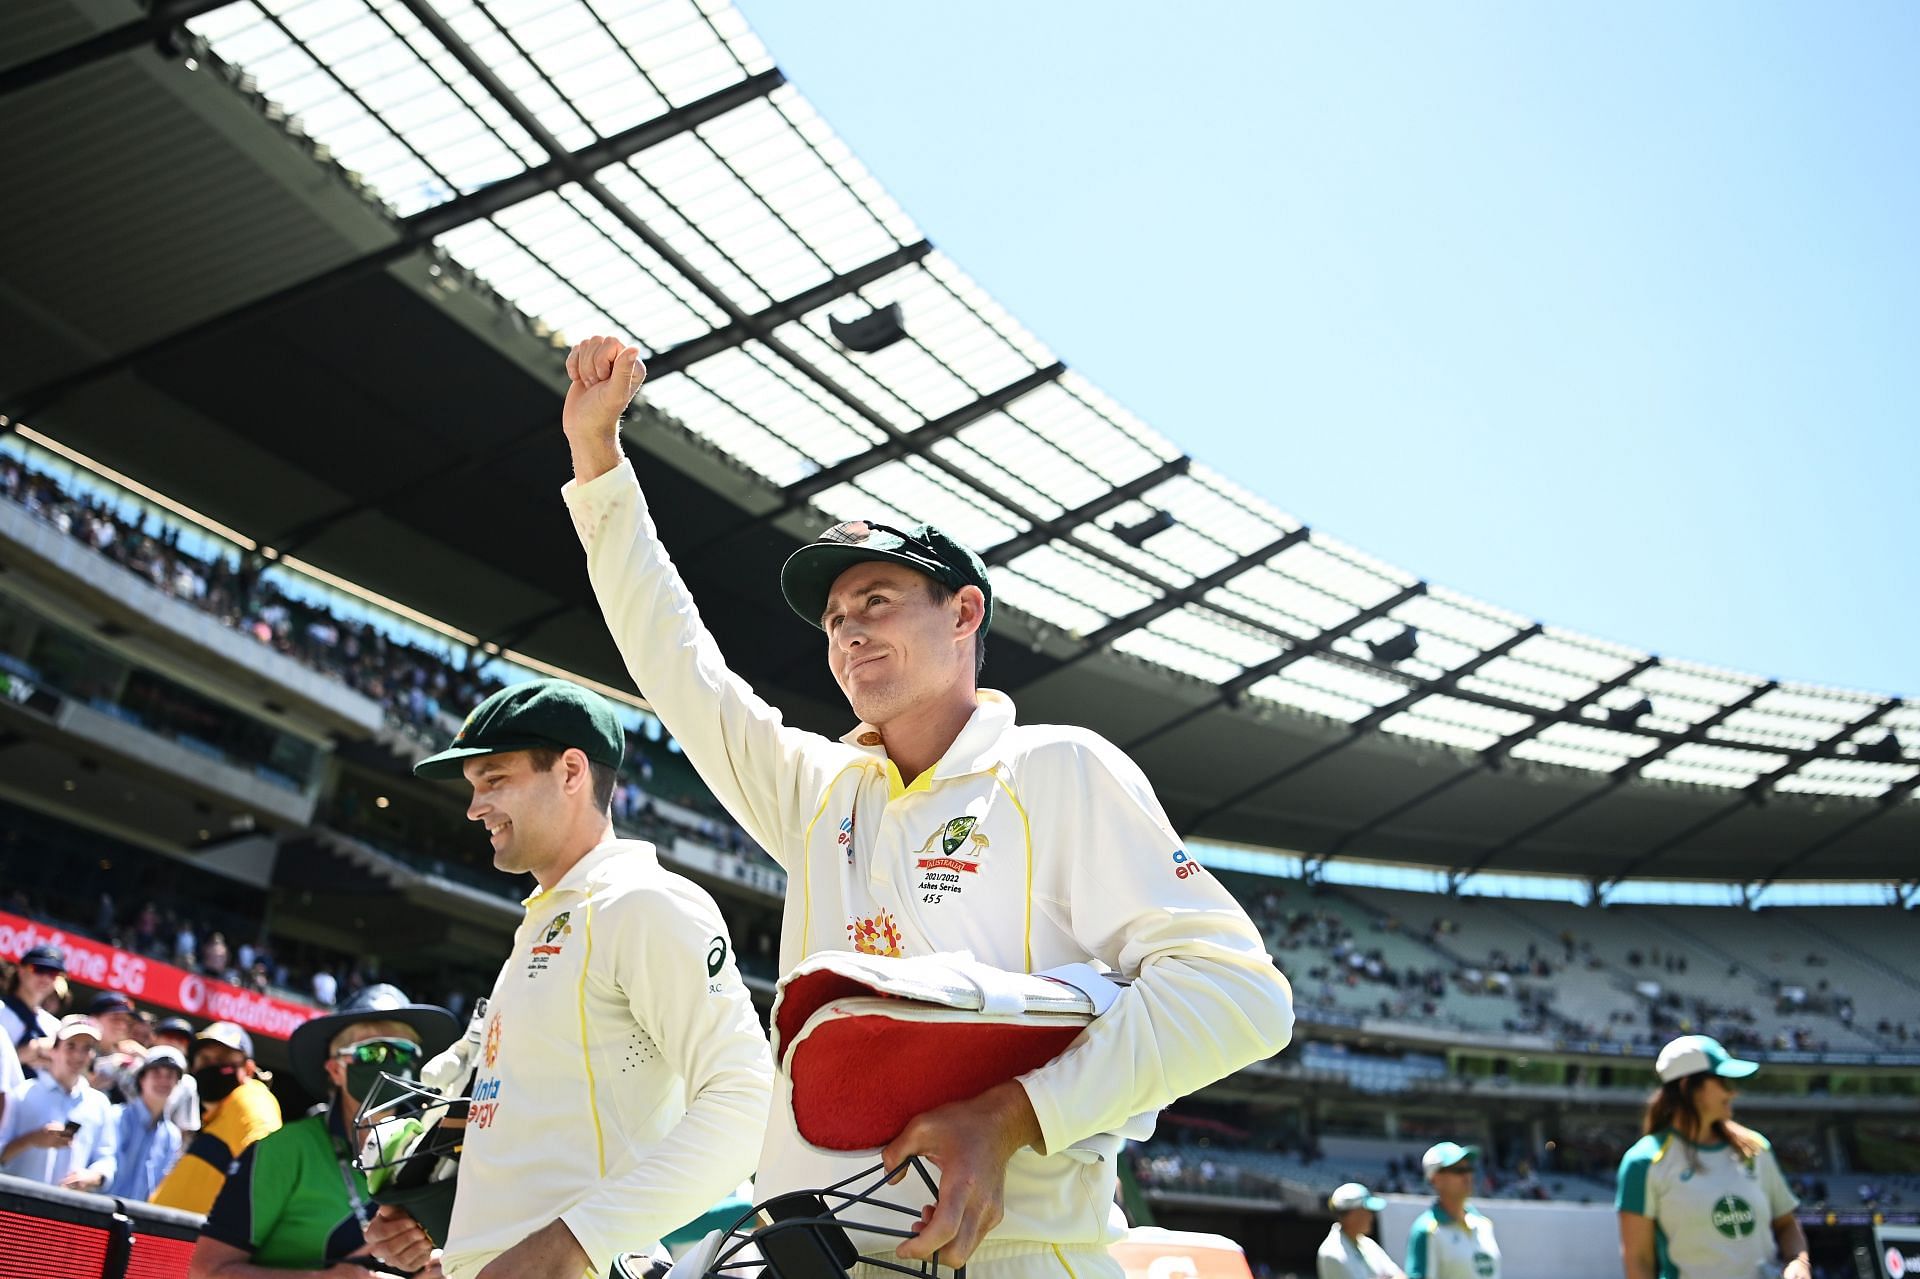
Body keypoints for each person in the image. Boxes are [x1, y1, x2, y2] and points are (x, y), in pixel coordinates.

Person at [548, 337, 1294, 1276]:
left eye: (877, 599)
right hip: (820, 1256)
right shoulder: (819, 793)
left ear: (964, 614)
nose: (849, 629)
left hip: (1016, 1253)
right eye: (833, 619)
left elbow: (1242, 996)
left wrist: (1012, 1115)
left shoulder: (1056, 769)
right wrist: (597, 459)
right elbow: (675, 661)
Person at [363, 680, 775, 1279]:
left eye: (494, 779)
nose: (474, 807)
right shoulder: (546, 918)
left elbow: (746, 1103)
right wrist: (433, 1217)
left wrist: (573, 1244)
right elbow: (537, 1134)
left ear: (572, 771)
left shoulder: (642, 902)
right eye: (473, 787)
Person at [189, 985, 458, 1278]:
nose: (392, 1062)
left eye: (405, 1051)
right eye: (373, 1052)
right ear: (335, 1069)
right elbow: (206, 1271)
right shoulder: (283, 1151)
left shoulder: (439, 1156)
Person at [1616, 1035, 1808, 1279]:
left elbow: (1786, 1224)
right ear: (1687, 1086)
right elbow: (1639, 1261)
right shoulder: (1643, 1162)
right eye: (1724, 1082)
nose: (1734, 1092)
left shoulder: (1755, 1148)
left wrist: (1798, 1263)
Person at [152, 1020, 283, 1214]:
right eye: (204, 1060)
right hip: (165, 1236)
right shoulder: (217, 1116)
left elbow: (271, 1168)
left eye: (222, 1059)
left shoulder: (251, 1100)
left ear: (247, 1069)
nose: (211, 1067)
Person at [0, 1015, 117, 1188]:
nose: (78, 1055)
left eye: (86, 1048)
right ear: (53, 1049)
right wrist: (31, 1140)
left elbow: (106, 1159)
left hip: (67, 1209)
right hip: (16, 1207)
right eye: (71, 1046)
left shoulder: (99, 1104)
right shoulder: (21, 1094)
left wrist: (92, 1176)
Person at [1405, 1143, 1499, 1279]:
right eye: (1458, 1170)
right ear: (1435, 1179)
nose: (1467, 1176)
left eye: (1469, 1169)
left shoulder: (1484, 1224)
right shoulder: (1426, 1230)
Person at [108, 1044, 187, 1200]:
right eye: (156, 1073)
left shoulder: (172, 1135)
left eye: (170, 1075)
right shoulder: (115, 1117)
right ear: (141, 1078)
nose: (163, 1080)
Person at [2, 944, 65, 1075]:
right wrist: (25, 1054)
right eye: (39, 969)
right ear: (21, 970)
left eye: (53, 973)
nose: (45, 978)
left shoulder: (55, 1026)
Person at [1320, 1183, 1405, 1279]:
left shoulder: (1367, 1243)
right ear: (1352, 1215)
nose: (1371, 1217)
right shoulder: (1331, 1254)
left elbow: (1399, 1275)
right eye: (1367, 1211)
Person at [154, 1015, 203, 1134]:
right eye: (169, 1036)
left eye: (182, 1040)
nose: (174, 1042)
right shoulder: (135, 1063)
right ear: (154, 1038)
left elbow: (185, 1131)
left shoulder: (187, 1083)